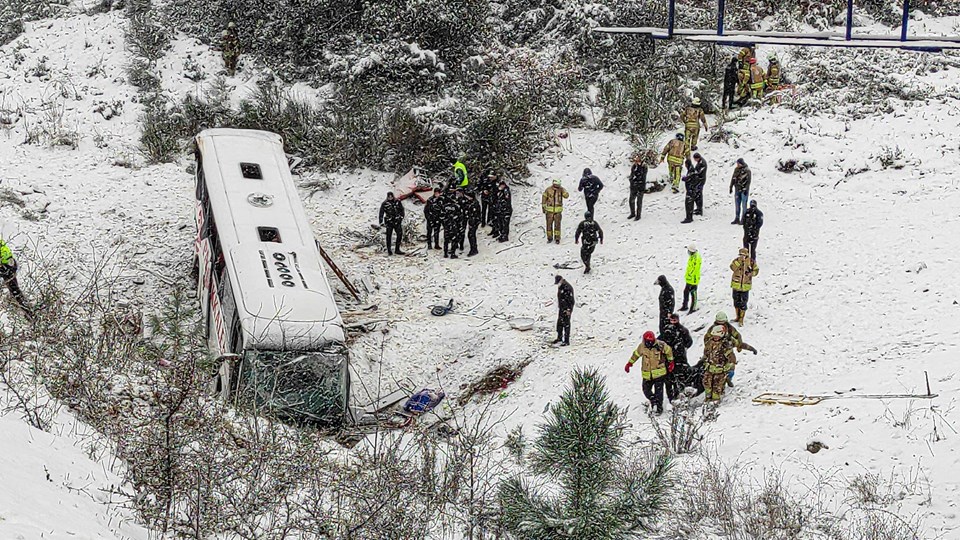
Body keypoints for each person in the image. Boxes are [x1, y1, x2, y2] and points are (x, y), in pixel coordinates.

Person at [702, 312, 757, 397]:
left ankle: (725, 383)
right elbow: (706, 342)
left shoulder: (730, 331)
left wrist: (741, 346)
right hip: (713, 360)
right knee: (708, 381)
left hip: (725, 356)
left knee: (727, 372)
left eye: (722, 323)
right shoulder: (712, 332)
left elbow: (738, 339)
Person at [625, 331, 674, 415]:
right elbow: (635, 355)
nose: (649, 343)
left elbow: (669, 351)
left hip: (659, 373)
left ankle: (659, 408)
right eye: (647, 341)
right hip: (647, 374)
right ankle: (653, 401)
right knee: (646, 389)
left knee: (659, 392)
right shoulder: (642, 347)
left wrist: (671, 361)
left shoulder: (660, 345)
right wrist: (629, 363)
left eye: (650, 341)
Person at [659, 313, 693, 402]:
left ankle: (680, 394)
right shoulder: (666, 331)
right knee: (668, 380)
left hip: (679, 359)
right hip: (667, 361)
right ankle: (671, 397)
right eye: (671, 320)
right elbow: (659, 341)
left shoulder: (682, 330)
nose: (673, 322)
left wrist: (683, 348)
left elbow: (689, 341)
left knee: (680, 377)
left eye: (675, 320)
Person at [0, 238, 30, 317]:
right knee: (15, 290)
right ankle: (26, 309)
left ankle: (27, 310)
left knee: (15, 290)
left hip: (6, 265)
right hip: (8, 264)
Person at [730, 247, 759, 326]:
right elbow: (732, 267)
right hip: (736, 285)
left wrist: (751, 274)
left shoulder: (751, 262)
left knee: (743, 302)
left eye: (743, 255)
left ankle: (741, 318)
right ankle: (737, 316)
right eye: (741, 255)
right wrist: (739, 262)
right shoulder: (736, 261)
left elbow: (756, 270)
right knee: (736, 301)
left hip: (745, 286)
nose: (742, 256)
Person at [541, 179, 569, 244]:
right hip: (549, 212)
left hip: (558, 212)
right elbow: (544, 199)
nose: (558, 186)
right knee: (549, 225)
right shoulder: (548, 190)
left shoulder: (561, 190)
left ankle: (557, 238)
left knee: (557, 225)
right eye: (557, 185)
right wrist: (543, 208)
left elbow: (566, 196)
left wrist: (564, 191)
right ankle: (549, 237)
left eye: (559, 185)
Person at [681, 153, 707, 224]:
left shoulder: (702, 163)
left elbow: (696, 174)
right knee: (697, 197)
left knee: (692, 200)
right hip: (696, 184)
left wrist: (686, 178)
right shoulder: (698, 164)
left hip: (698, 183)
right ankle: (698, 210)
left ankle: (695, 213)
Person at [553, 275, 574, 346]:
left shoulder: (567, 288)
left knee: (566, 324)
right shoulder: (561, 287)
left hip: (567, 308)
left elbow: (571, 300)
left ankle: (566, 340)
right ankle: (559, 337)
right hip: (562, 308)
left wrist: (568, 309)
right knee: (560, 323)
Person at [729, 158, 751, 225]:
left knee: (744, 205)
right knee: (737, 205)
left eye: (738, 163)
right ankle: (737, 218)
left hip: (744, 190)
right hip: (737, 189)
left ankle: (743, 219)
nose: (737, 165)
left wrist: (746, 189)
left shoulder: (747, 171)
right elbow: (733, 178)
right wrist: (731, 186)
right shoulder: (736, 170)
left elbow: (748, 181)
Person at [441, 189, 462, 258]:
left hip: (447, 225)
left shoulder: (444, 207)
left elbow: (441, 216)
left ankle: (445, 253)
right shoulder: (456, 207)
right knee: (454, 239)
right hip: (454, 225)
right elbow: (459, 216)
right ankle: (452, 253)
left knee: (446, 240)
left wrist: (444, 223)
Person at [680, 244, 701, 313]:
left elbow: (694, 269)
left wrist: (690, 274)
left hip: (693, 280)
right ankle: (685, 306)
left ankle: (693, 308)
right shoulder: (692, 257)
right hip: (689, 279)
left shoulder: (696, 258)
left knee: (693, 293)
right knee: (686, 292)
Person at [628, 154, 647, 220]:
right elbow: (632, 174)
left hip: (640, 186)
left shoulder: (644, 166)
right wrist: (631, 180)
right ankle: (632, 213)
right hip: (633, 186)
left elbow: (643, 176)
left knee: (639, 202)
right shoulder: (633, 166)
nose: (636, 162)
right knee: (631, 200)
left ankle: (638, 215)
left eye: (637, 160)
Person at [464, 190, 481, 257]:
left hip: (474, 222)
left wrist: (473, 221)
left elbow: (475, 214)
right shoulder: (470, 202)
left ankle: (474, 249)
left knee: (471, 235)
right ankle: (473, 248)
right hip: (472, 221)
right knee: (470, 235)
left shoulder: (475, 204)